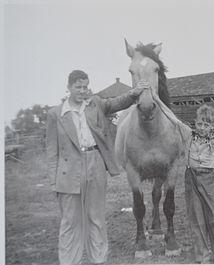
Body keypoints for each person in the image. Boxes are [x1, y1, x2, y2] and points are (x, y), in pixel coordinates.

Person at [46, 70, 145, 265]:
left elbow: (117, 102)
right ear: (68, 88)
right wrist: (53, 181)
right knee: (70, 221)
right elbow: (52, 150)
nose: (83, 91)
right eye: (78, 87)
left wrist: (135, 92)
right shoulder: (55, 114)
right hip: (68, 170)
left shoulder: (95, 104)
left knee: (96, 218)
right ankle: (69, 261)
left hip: (95, 163)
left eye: (85, 87)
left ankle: (98, 260)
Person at [150, 86, 214, 263]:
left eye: (207, 124)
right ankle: (202, 255)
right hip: (191, 178)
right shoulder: (188, 134)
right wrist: (157, 100)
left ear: (212, 125)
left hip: (208, 178)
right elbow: (172, 117)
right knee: (196, 217)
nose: (203, 127)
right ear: (195, 123)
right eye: (200, 123)